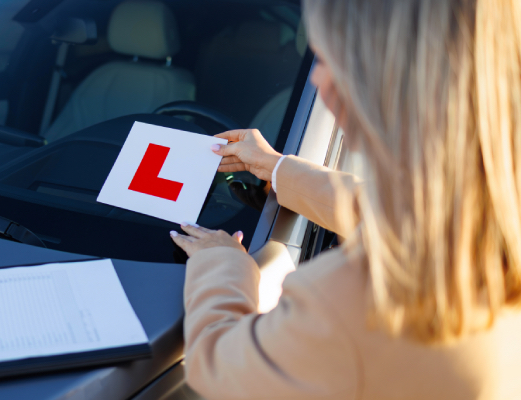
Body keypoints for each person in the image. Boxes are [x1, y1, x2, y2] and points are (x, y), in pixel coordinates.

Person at [169, 0, 521, 398]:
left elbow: (218, 371)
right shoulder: (491, 225)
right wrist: (274, 166)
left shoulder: (357, 299)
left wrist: (223, 263)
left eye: (332, 58)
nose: (318, 79)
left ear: (391, 81)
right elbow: (383, 211)